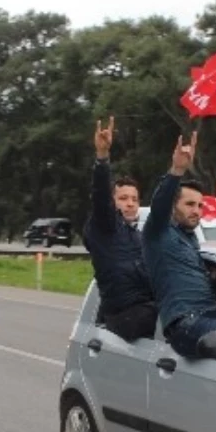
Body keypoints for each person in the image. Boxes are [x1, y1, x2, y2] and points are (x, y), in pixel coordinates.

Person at [141, 132, 216, 359]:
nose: (197, 210)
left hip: (212, 317)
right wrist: (177, 170)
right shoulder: (158, 232)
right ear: (173, 208)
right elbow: (159, 205)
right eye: (190, 204)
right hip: (187, 323)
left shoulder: (192, 240)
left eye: (200, 205)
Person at [82, 116, 157, 341]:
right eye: (123, 198)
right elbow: (100, 195)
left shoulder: (140, 237)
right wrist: (102, 158)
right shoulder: (105, 228)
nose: (130, 203)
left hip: (146, 309)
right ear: (113, 202)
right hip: (123, 317)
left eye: (134, 198)